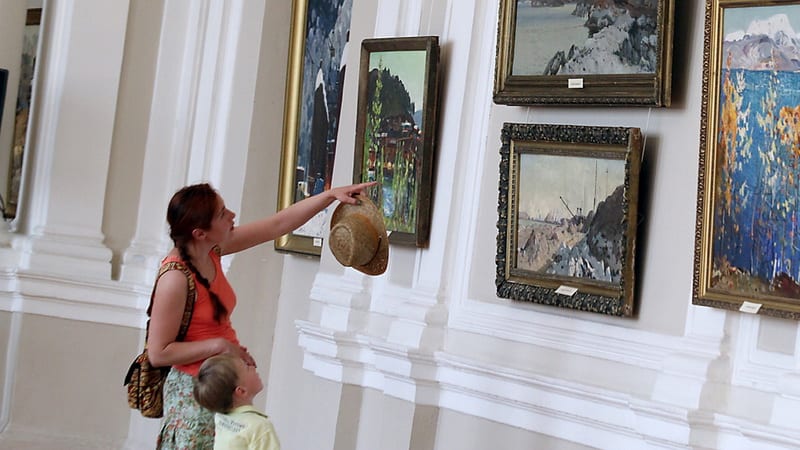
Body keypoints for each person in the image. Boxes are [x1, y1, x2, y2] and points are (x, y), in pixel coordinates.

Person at [147, 180, 375, 449]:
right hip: (196, 391)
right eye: (222, 214)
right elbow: (158, 353)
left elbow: (278, 225)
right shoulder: (175, 278)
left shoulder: (211, 250)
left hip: (223, 383)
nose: (232, 215)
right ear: (200, 233)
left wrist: (330, 196)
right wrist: (220, 346)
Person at [194, 354, 279, 450]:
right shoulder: (261, 427)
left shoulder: (221, 417)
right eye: (247, 368)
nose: (253, 367)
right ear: (241, 391)